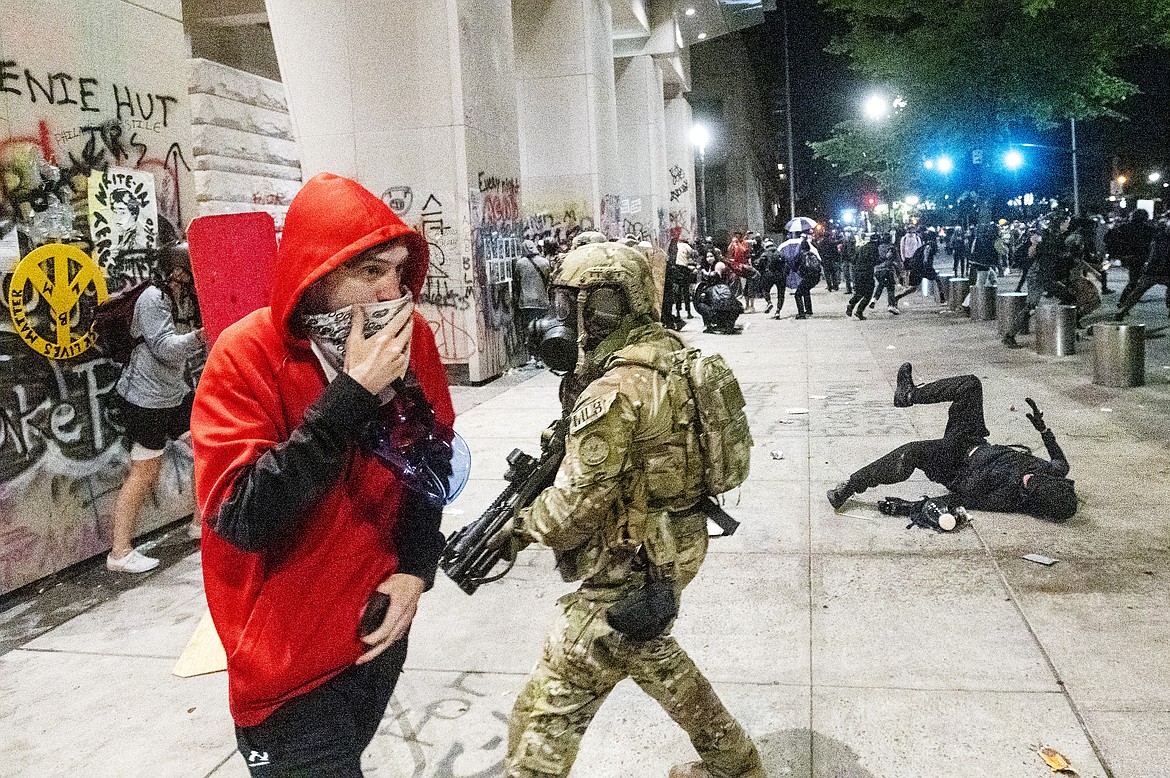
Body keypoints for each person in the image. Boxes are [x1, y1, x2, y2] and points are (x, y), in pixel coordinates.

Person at [191, 173, 454, 776]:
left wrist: (416, 568)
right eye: (367, 273)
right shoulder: (246, 355)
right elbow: (244, 516)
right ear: (314, 277)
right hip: (286, 666)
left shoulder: (414, 342)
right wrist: (353, 395)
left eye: (397, 269)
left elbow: (430, 460)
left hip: (375, 633)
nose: (392, 291)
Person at [504, 240, 764, 778]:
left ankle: (737, 767)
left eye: (577, 304)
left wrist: (520, 525)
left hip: (631, 559)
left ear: (606, 305)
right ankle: (735, 766)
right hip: (680, 539)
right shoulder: (674, 358)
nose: (566, 318)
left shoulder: (615, 390)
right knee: (653, 657)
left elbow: (574, 509)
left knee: (548, 708)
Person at [827, 364, 1077, 522]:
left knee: (910, 453)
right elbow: (1059, 461)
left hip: (955, 464)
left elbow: (958, 498)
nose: (1027, 478)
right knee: (970, 384)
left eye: (1028, 485)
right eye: (1033, 477)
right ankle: (909, 395)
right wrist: (1044, 430)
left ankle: (849, 486)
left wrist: (909, 508)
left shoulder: (1007, 498)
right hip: (973, 439)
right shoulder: (1052, 473)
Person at [107, 246, 207, 573]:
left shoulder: (178, 296)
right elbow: (165, 348)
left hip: (173, 394)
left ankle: (199, 522)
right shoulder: (153, 298)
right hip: (145, 400)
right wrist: (199, 336)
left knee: (205, 447)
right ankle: (119, 553)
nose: (195, 277)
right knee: (144, 472)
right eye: (190, 270)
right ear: (177, 272)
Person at [1115, 217, 1170, 321]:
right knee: (1138, 290)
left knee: (1138, 291)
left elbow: (1151, 253)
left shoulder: (1157, 238)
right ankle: (1124, 309)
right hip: (1163, 270)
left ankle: (1124, 310)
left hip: (1153, 270)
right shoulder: (1158, 238)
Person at [515, 239, 552, 364]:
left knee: (530, 329)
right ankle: (542, 356)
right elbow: (547, 281)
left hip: (526, 302)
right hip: (542, 301)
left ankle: (533, 355)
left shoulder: (520, 263)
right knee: (541, 329)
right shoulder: (545, 262)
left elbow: (517, 281)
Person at [694, 262, 744, 333]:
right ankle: (728, 323)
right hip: (733, 314)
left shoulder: (708, 289)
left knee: (701, 304)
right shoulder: (725, 286)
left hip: (719, 315)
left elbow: (699, 302)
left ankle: (709, 325)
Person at [845, 232, 878, 320]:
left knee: (860, 292)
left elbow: (854, 259)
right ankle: (859, 311)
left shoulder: (861, 248)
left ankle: (851, 305)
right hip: (867, 273)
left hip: (858, 272)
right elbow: (875, 261)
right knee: (868, 293)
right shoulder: (874, 248)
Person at [789, 238, 821, 319]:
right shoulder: (812, 254)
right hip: (816, 277)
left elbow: (794, 267)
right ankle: (809, 310)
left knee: (797, 294)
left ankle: (801, 313)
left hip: (807, 277)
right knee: (806, 290)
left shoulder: (800, 255)